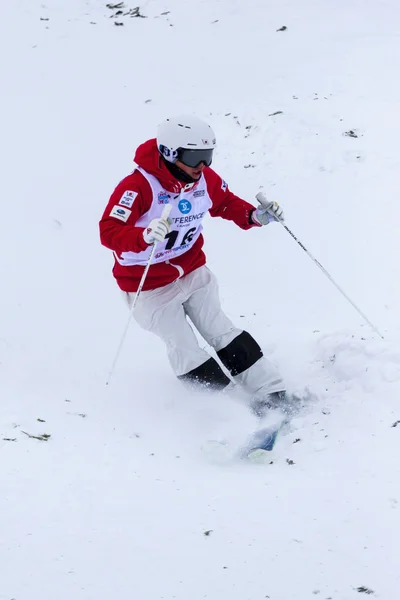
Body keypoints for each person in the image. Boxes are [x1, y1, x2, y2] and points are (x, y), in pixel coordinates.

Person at [99, 115, 287, 416]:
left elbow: (224, 202)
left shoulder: (203, 179)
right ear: (170, 153)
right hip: (148, 285)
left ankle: (271, 391)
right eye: (195, 158)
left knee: (221, 330)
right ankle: (226, 412)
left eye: (207, 157)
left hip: (193, 271)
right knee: (183, 345)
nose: (203, 166)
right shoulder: (137, 187)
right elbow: (108, 231)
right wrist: (143, 236)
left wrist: (253, 216)